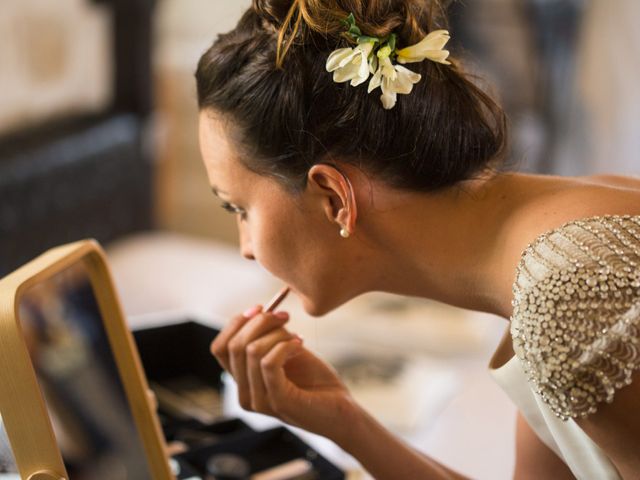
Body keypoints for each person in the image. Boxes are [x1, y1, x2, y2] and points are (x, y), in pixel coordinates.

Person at [195, 1, 640, 478]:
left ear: (333, 198)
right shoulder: (543, 271)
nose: (245, 246)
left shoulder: (568, 303)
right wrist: (344, 420)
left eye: (240, 209)